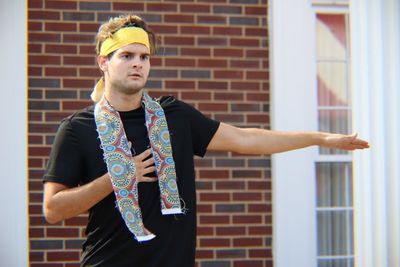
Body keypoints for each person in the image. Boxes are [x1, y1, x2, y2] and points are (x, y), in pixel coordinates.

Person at [42, 14, 369, 267]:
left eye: (144, 56)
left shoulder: (175, 116)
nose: (138, 63)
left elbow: (246, 139)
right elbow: (53, 209)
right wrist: (115, 178)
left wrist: (319, 137)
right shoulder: (77, 128)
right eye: (126, 55)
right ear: (103, 62)